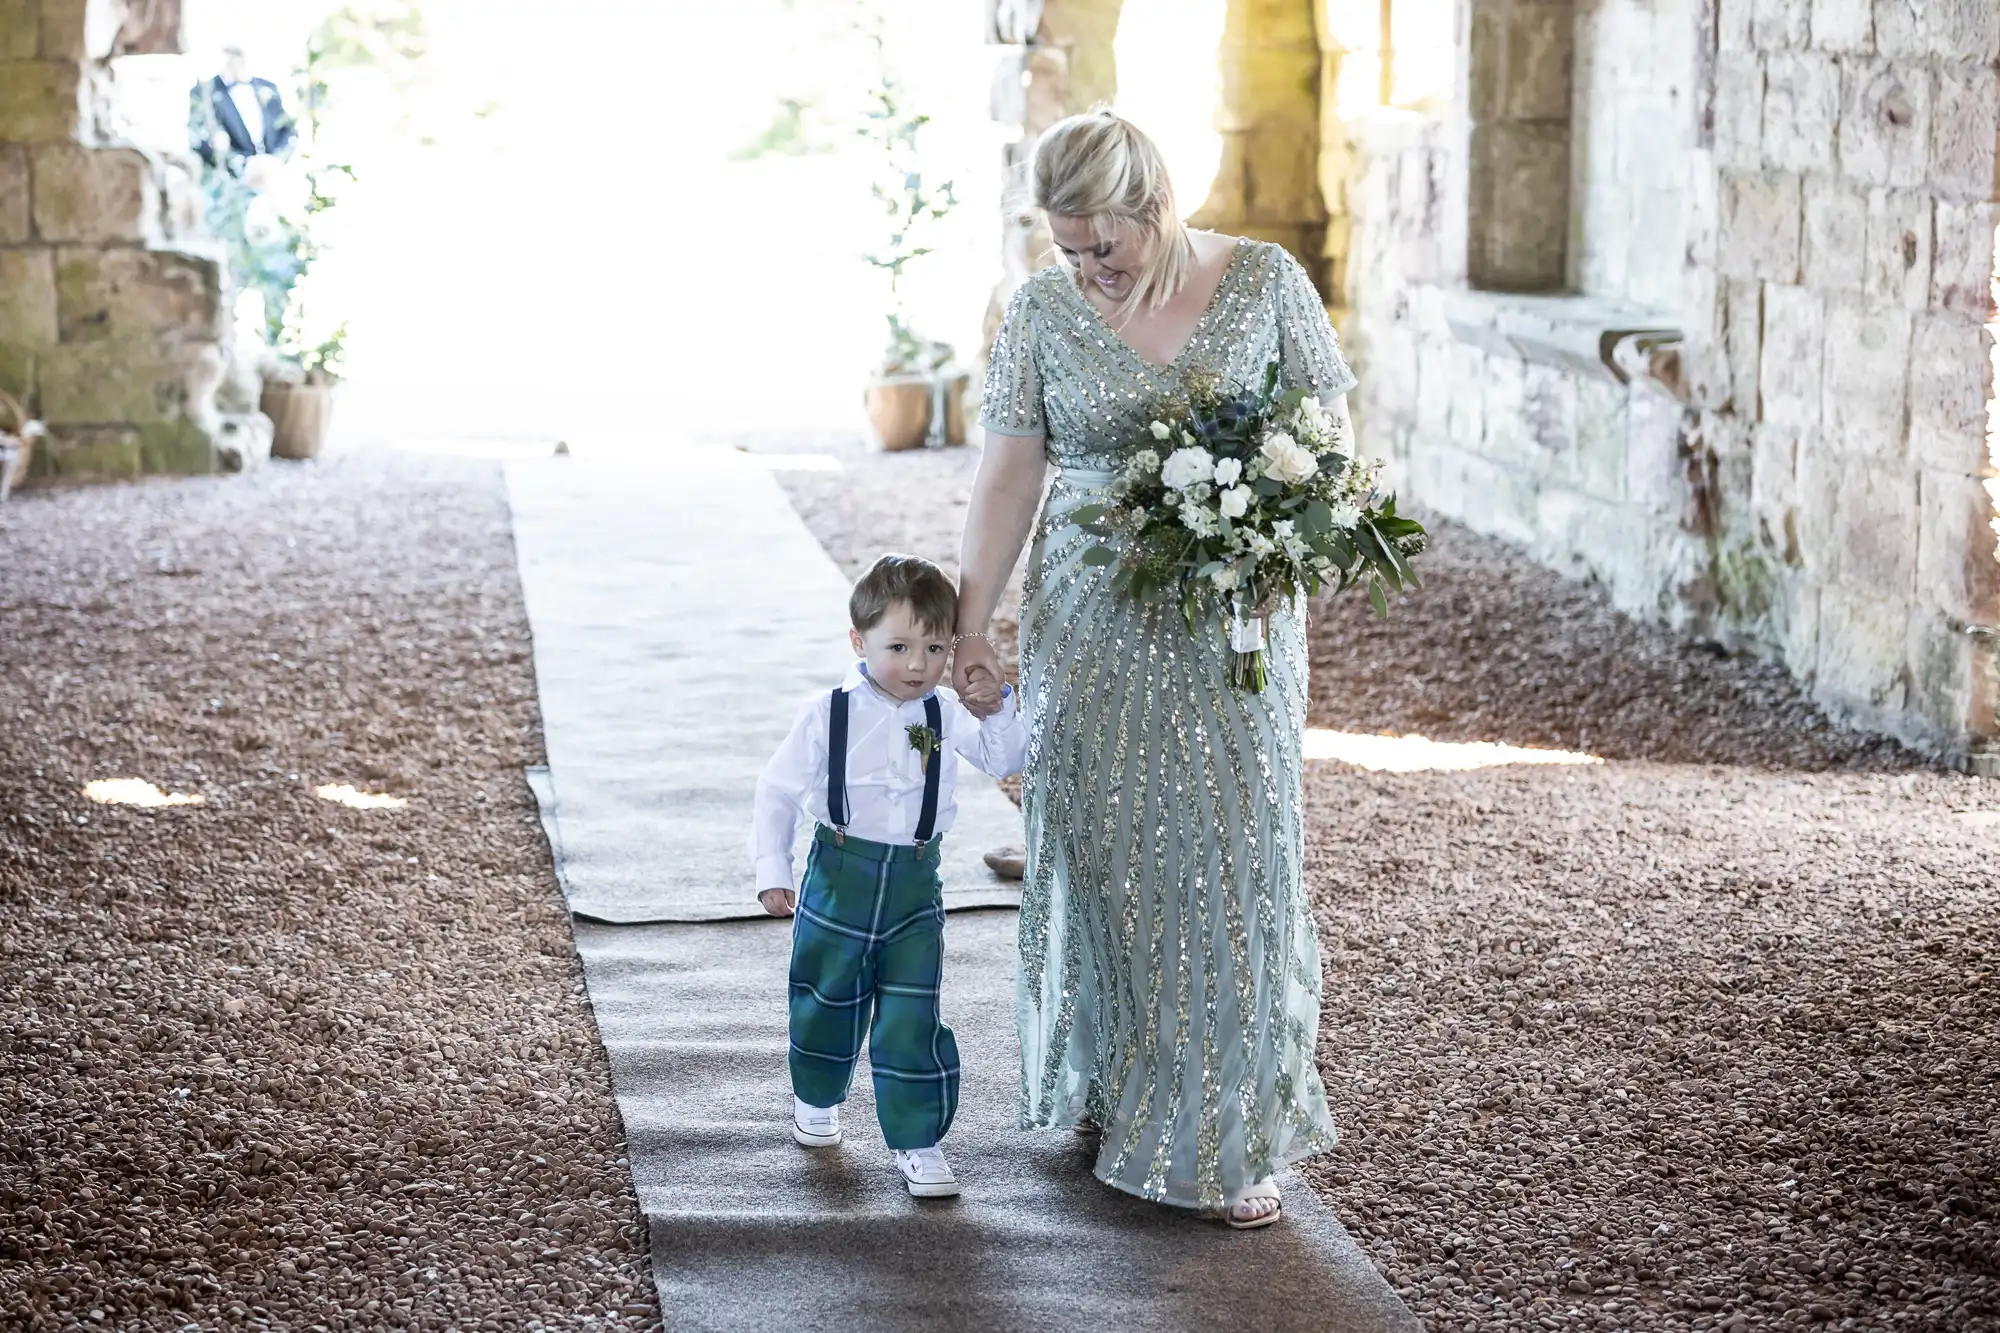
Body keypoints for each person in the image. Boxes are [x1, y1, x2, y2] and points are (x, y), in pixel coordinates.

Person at [951, 109, 1356, 1230]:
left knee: (1233, 851)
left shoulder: (1265, 280)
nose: (1086, 271)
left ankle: (1226, 1129)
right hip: (1090, 618)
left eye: (1104, 247)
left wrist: (1285, 544)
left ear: (1156, 206)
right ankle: (1120, 1079)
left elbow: (1326, 450)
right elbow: (1006, 481)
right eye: (1067, 248)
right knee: (1112, 842)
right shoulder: (1037, 312)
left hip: (1236, 618)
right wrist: (971, 624)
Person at [752, 554, 1027, 1199]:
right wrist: (773, 866)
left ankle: (919, 1139)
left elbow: (1004, 757)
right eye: (898, 646)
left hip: (914, 882)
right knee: (826, 994)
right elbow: (778, 790)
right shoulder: (829, 713)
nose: (917, 665)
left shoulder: (943, 711)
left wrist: (995, 708)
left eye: (934, 648)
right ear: (859, 641)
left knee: (912, 1007)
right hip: (840, 872)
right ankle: (816, 1096)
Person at [189, 46, 297, 186]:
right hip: (231, 183)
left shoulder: (268, 88)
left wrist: (277, 160)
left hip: (273, 175)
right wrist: (242, 164)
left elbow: (287, 129)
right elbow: (200, 139)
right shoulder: (205, 93)